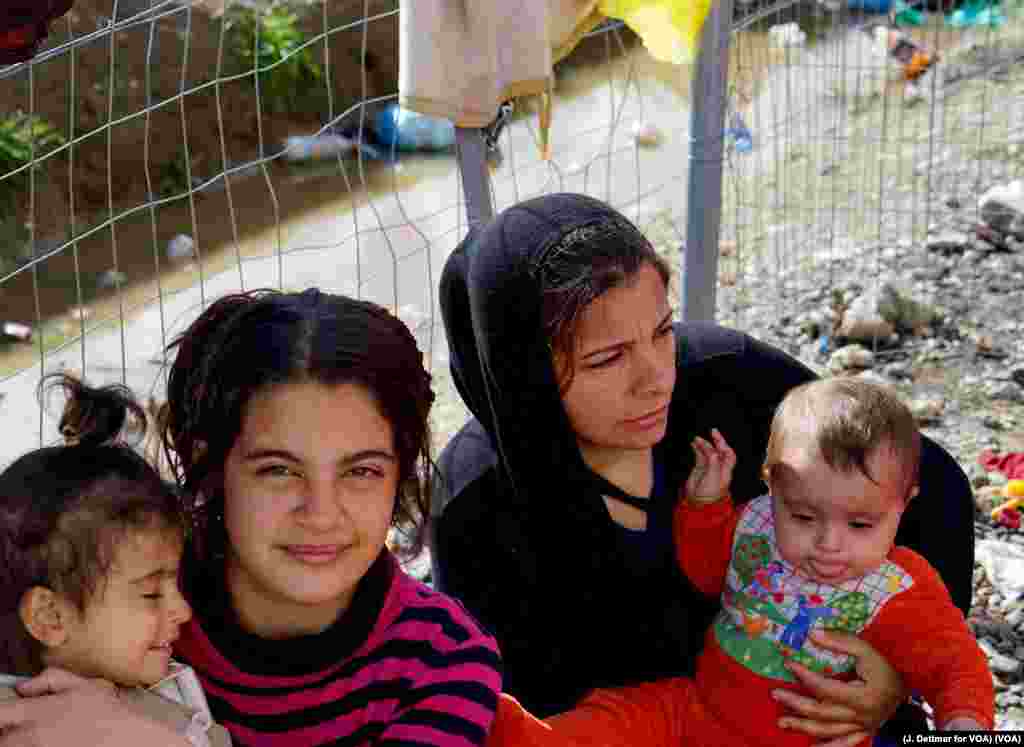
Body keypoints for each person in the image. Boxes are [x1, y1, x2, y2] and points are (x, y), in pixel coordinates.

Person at [432, 192, 977, 743]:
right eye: (607, 358)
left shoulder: (731, 383)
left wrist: (891, 682)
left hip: (819, 715)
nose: (655, 378)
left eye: (662, 331)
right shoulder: (477, 509)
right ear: (524, 375)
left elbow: (929, 488)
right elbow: (511, 708)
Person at [0, 289, 502, 746]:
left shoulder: (445, 661)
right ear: (210, 465)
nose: (321, 514)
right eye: (279, 470)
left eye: (362, 471)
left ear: (401, 475)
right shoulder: (115, 602)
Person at [489, 378, 993, 747]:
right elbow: (706, 571)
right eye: (802, 516)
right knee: (618, 715)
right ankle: (528, 736)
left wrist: (964, 726)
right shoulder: (756, 524)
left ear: (905, 503)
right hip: (700, 708)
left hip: (807, 740)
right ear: (772, 484)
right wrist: (706, 508)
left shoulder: (898, 587)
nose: (828, 544)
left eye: (861, 525)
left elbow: (954, 662)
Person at [0, 374, 230, 747]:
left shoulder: (152, 692)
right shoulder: (25, 732)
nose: (183, 611)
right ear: (50, 616)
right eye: (152, 593)